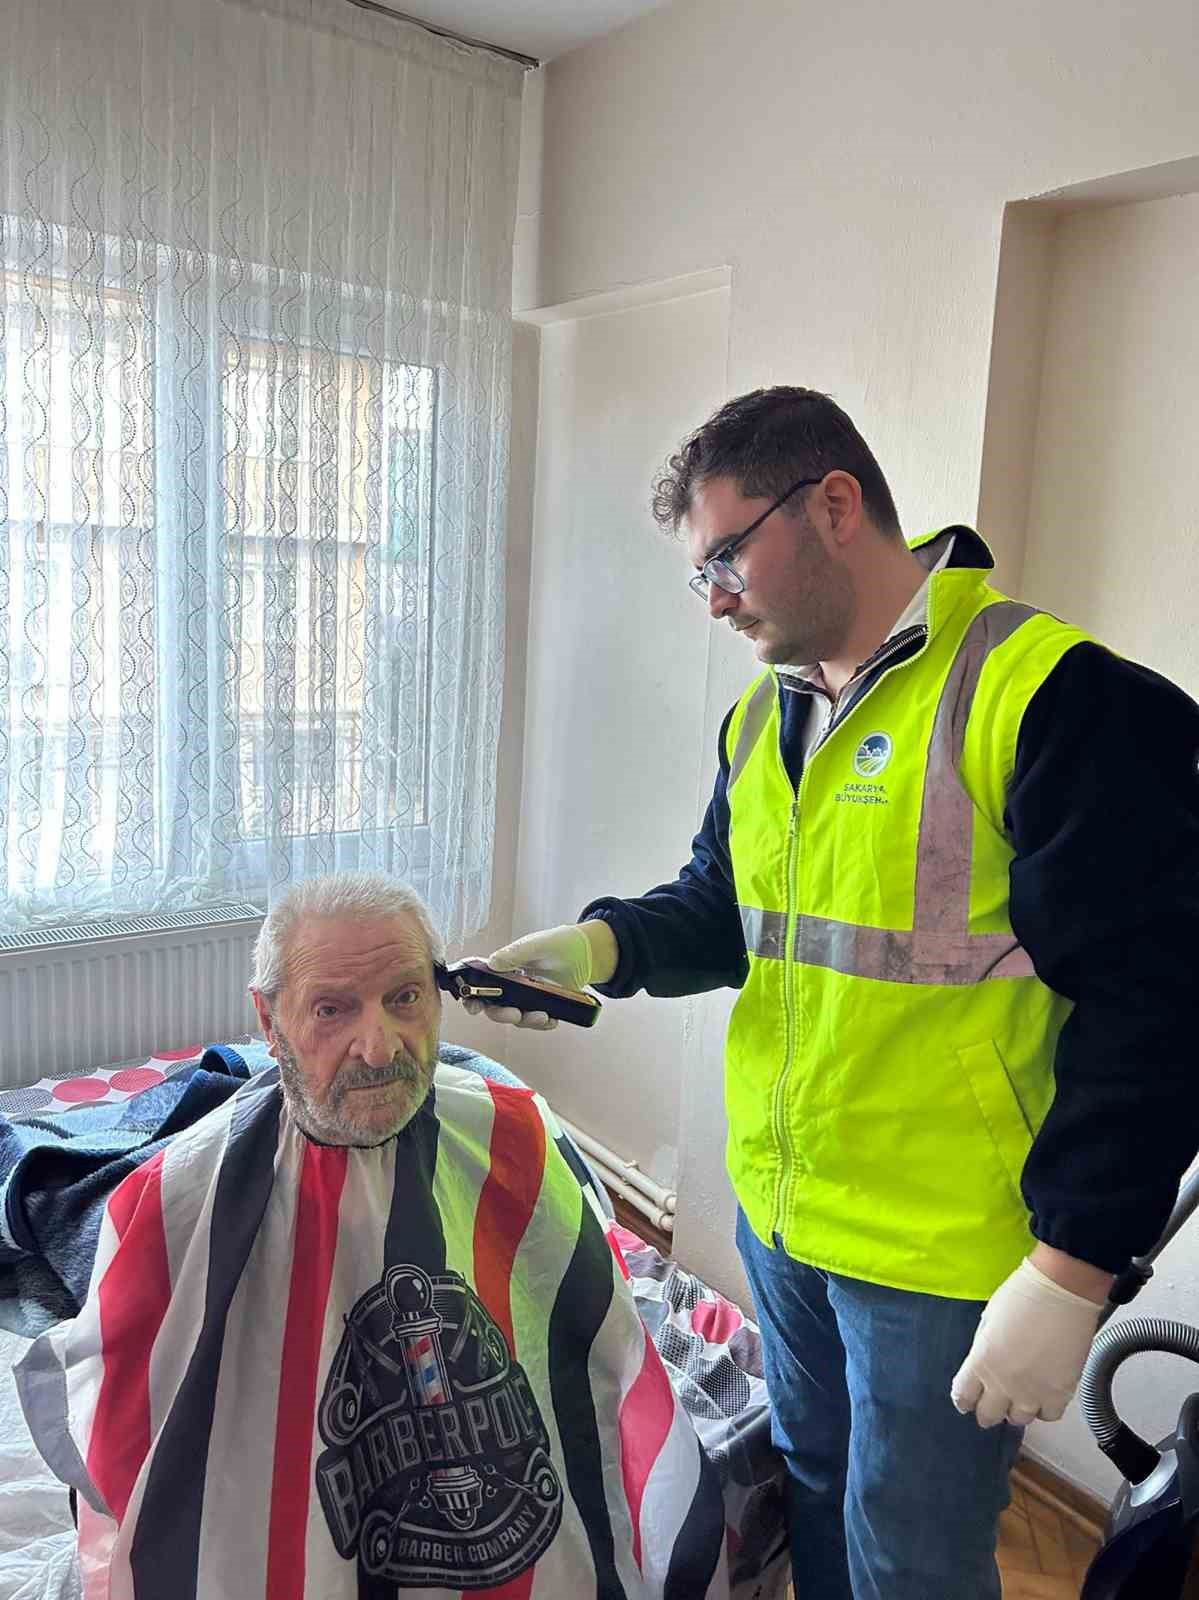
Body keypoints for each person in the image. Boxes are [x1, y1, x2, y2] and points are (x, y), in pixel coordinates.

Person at [468, 387, 1199, 1599]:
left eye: (724, 557)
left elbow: (1158, 1001)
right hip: (785, 1216)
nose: (712, 599)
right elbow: (725, 908)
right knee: (810, 1480)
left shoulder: (1047, 695)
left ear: (833, 506)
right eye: (696, 575)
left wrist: (1073, 1264)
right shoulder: (765, 714)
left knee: (909, 1553)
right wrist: (595, 948)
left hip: (935, 1251)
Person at [17, 872, 729, 1599]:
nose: (380, 1047)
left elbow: (602, 1367)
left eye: (405, 997)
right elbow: (120, 1436)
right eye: (331, 1009)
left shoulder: (518, 1140)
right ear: (268, 1020)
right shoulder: (171, 1201)